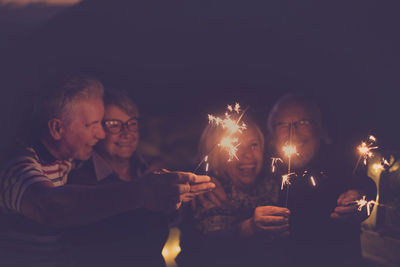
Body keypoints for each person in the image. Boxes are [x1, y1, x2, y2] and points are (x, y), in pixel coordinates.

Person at [0, 75, 214, 266]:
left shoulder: (66, 161)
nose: (101, 134)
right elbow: (49, 206)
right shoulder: (17, 164)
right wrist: (143, 191)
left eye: (132, 123)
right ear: (57, 128)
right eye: (96, 124)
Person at [267, 93, 376, 266]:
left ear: (319, 128)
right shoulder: (265, 169)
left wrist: (363, 197)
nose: (292, 131)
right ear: (272, 134)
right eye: (282, 124)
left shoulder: (339, 159)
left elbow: (364, 183)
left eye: (302, 122)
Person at [65, 89, 169, 267]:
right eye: (114, 124)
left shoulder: (151, 170)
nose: (126, 133)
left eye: (132, 123)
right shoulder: (81, 180)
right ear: (97, 130)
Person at [179, 113, 290, 267]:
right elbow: (209, 250)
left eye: (254, 145)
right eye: (236, 145)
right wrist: (250, 227)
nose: (247, 155)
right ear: (218, 152)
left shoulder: (273, 185)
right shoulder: (206, 191)